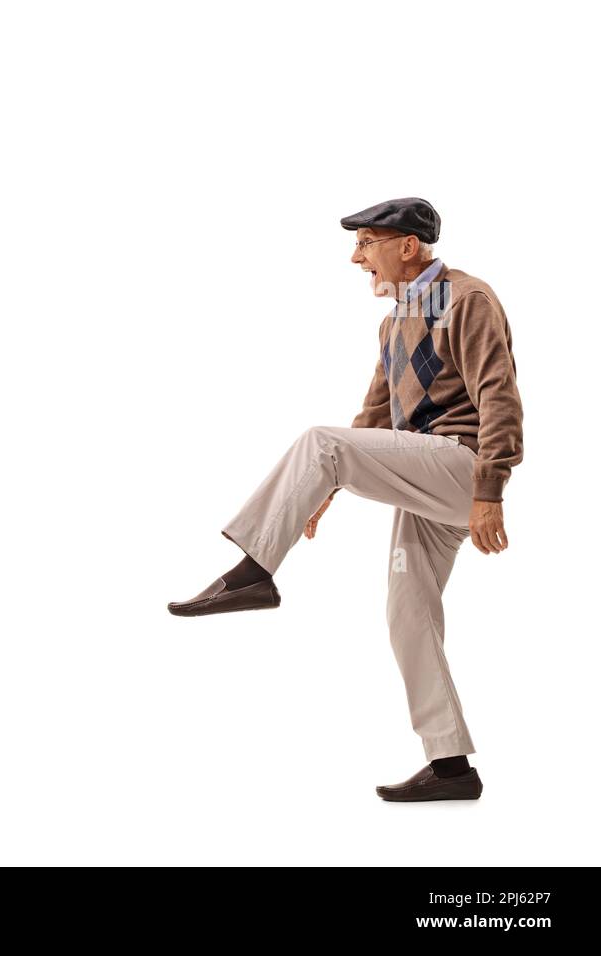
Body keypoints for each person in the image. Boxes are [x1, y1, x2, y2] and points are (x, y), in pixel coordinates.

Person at [167, 197, 524, 802]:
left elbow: (500, 400)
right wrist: (319, 487)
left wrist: (489, 492)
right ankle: (452, 768)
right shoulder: (396, 320)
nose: (356, 256)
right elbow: (374, 417)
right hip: (425, 479)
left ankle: (253, 572)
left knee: (319, 440)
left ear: (407, 246)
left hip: (460, 467)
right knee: (407, 610)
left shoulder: (467, 299)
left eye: (366, 243)